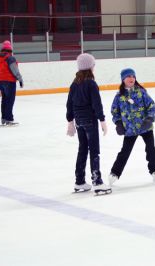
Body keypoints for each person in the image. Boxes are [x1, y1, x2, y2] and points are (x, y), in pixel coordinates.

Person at [108, 68, 155, 186]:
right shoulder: (119, 96)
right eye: (128, 76)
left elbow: (152, 107)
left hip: (145, 127)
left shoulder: (141, 92)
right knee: (125, 152)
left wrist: (149, 119)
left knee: (151, 149)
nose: (131, 78)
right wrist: (118, 123)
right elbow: (114, 112)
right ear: (123, 79)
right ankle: (115, 173)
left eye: (133, 76)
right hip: (129, 129)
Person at [66, 53, 111, 195]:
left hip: (79, 122)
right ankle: (97, 182)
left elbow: (69, 104)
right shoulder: (91, 83)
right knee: (94, 151)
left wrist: (70, 121)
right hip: (90, 121)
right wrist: (102, 120)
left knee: (82, 150)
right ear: (90, 67)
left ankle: (79, 181)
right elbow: (97, 104)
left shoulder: (74, 84)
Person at [0, 40, 23, 126]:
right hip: (9, 81)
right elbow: (15, 70)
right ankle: (9, 119)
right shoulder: (10, 58)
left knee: (4, 100)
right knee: (10, 100)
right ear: (10, 48)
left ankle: (4, 118)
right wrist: (20, 79)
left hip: (1, 81)